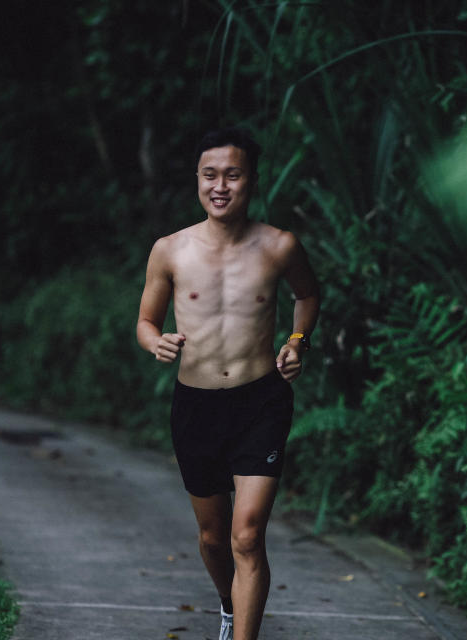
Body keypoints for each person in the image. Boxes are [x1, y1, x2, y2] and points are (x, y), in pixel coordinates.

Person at [136, 126, 320, 640]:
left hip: (261, 401)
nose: (221, 186)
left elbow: (308, 296)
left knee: (247, 536)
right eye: (210, 175)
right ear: (197, 180)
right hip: (195, 407)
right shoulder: (170, 250)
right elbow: (145, 321)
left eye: (233, 175)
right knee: (214, 538)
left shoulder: (280, 246)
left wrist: (297, 341)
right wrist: (156, 342)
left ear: (251, 182)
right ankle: (227, 604)